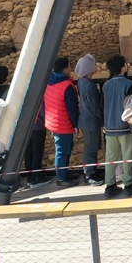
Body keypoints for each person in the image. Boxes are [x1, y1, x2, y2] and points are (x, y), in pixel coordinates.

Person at [44, 56, 79, 188]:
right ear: (65, 70)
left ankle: (64, 173)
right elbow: (72, 108)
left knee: (64, 149)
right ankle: (61, 179)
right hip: (62, 123)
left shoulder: (49, 81)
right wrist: (75, 125)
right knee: (62, 151)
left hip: (53, 121)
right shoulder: (67, 86)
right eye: (69, 67)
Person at [103, 54, 132, 197]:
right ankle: (129, 183)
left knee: (110, 157)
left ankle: (110, 184)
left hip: (109, 126)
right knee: (128, 155)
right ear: (123, 67)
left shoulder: (106, 85)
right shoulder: (128, 84)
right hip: (125, 126)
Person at [76, 55, 104, 186]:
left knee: (92, 146)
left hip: (86, 120)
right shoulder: (89, 86)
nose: (96, 66)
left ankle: (93, 170)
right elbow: (94, 106)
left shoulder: (82, 81)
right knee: (91, 148)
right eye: (94, 64)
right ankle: (89, 174)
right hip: (91, 121)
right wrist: (103, 118)